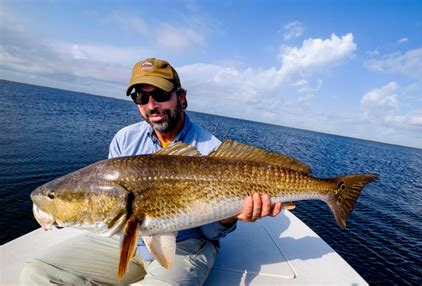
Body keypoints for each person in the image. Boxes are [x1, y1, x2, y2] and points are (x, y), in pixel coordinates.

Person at [20, 58, 282, 285]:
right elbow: (112, 201)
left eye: (160, 94)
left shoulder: (211, 151)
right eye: (141, 97)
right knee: (38, 274)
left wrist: (230, 217)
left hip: (188, 245)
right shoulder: (125, 139)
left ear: (181, 97)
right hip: (127, 236)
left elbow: (211, 233)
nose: (151, 104)